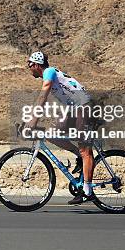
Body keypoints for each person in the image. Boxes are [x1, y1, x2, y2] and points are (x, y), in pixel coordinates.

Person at [25, 51, 95, 205]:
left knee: (86, 150)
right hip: (73, 109)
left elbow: (42, 97)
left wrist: (33, 120)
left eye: (29, 65)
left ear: (36, 64)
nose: (29, 68)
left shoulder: (49, 72)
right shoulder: (49, 74)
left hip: (84, 106)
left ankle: (87, 191)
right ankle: (79, 157)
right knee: (51, 134)